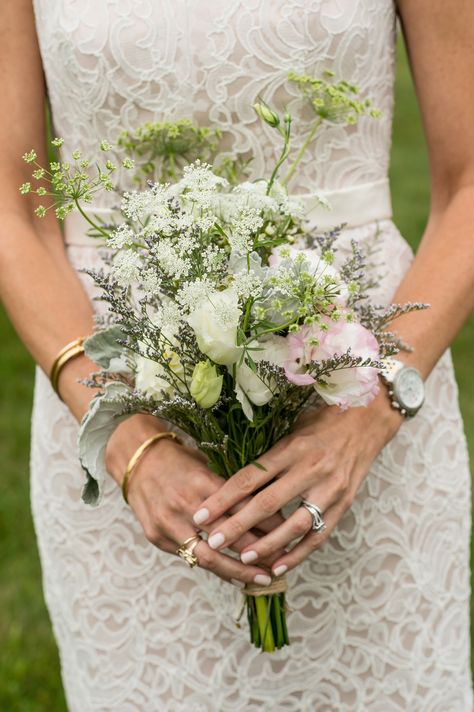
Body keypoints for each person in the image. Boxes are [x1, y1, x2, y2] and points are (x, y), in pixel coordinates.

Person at [1, 0, 472, 709]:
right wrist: (127, 441)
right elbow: (10, 203)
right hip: (121, 408)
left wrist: (366, 415)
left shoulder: (364, 419)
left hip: (358, 402)